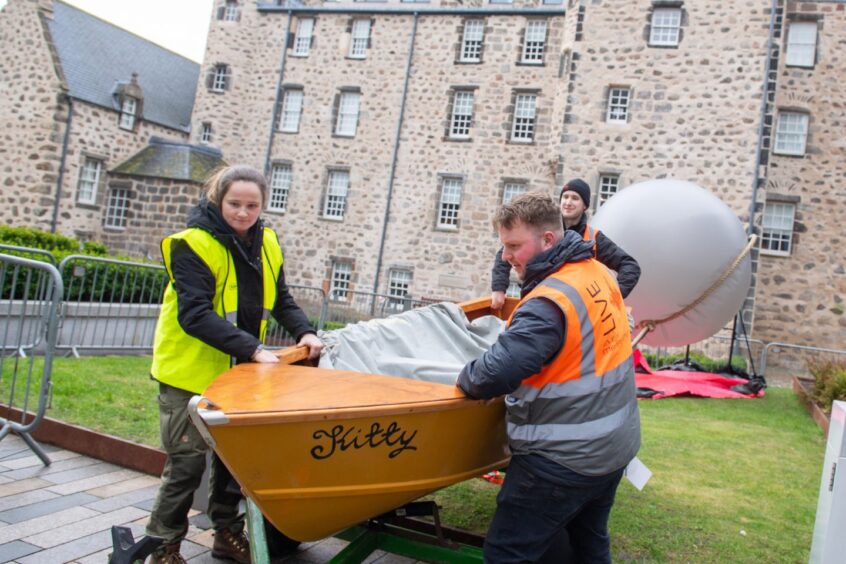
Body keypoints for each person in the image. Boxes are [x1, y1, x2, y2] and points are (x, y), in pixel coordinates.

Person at [146, 165, 323, 564]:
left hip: (239, 377)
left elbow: (281, 300)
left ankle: (227, 534)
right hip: (188, 374)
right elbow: (195, 314)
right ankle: (163, 546)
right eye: (235, 204)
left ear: (263, 205)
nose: (243, 213)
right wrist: (254, 348)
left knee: (234, 462)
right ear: (218, 200)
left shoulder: (268, 243)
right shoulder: (189, 244)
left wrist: (305, 333)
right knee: (187, 464)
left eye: (252, 205)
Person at [458, 192, 641, 563]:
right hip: (614, 447)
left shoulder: (548, 302)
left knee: (509, 552)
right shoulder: (595, 274)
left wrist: (463, 374)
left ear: (547, 241)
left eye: (513, 246)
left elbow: (492, 375)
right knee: (587, 545)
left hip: (561, 461)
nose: (506, 257)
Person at [490, 178, 640, 310]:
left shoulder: (594, 237)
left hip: (574, 307)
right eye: (565, 197)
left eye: (575, 198)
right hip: (540, 301)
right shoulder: (541, 227)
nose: (568, 202)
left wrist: (612, 298)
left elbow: (629, 266)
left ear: (585, 206)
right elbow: (506, 254)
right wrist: (498, 288)